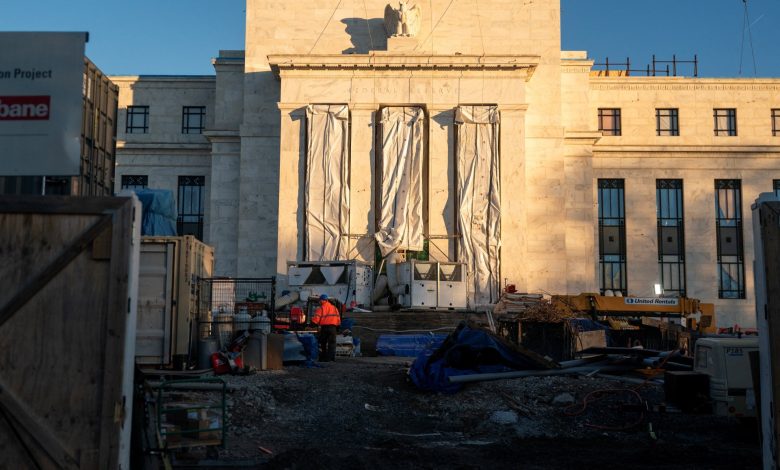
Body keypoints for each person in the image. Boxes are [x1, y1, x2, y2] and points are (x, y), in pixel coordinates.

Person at [312, 294, 341, 362]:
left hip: (325, 328)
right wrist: (338, 327)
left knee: (323, 343)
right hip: (333, 328)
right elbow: (338, 318)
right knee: (332, 344)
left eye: (320, 300)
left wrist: (311, 325)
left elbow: (315, 320)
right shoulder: (334, 308)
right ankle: (331, 358)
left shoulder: (321, 308)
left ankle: (323, 358)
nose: (319, 302)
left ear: (322, 300)